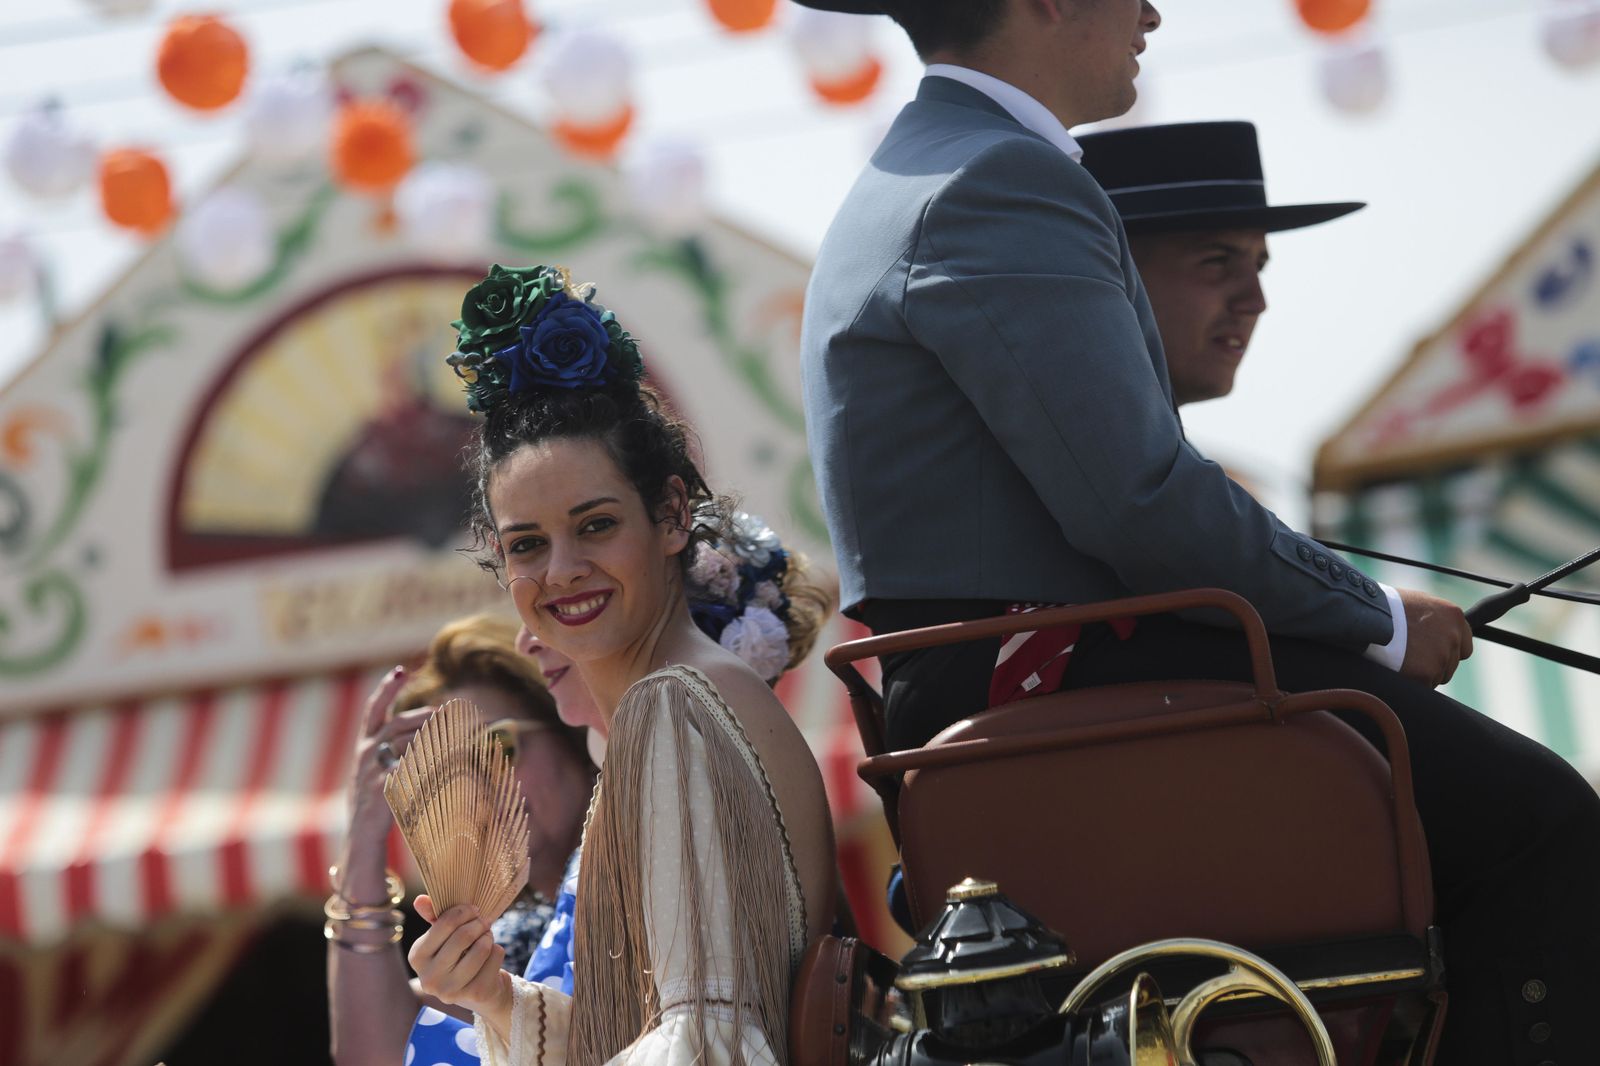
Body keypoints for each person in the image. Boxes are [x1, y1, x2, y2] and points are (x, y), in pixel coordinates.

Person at [795, 1, 1600, 1062]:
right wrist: (1376, 621)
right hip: (1052, 674)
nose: (1153, 11)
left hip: (1011, 672)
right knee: (1544, 822)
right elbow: (1139, 502)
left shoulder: (930, 171)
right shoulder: (1001, 176)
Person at [407, 263, 836, 1065]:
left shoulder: (673, 705)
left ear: (672, 515)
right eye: (526, 545)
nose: (561, 569)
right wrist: (492, 999)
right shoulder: (689, 696)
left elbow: (709, 1043)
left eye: (596, 526)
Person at [327, 614, 596, 1066]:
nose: (474, 790)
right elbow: (376, 1056)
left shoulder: (645, 864)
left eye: (498, 746)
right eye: (446, 777)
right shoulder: (514, 944)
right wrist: (363, 838)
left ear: (571, 728)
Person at [1076, 120, 1362, 407]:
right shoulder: (1058, 447)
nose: (1256, 303)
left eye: (1259, 266)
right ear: (1114, 269)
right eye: (1217, 260)